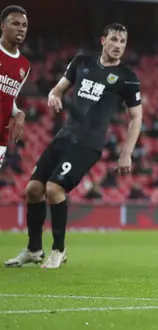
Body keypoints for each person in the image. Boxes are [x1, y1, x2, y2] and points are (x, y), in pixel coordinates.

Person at [4, 23, 142, 268]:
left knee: (54, 188)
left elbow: (136, 117)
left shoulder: (128, 79)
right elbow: (57, 90)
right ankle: (34, 250)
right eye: (114, 40)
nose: (118, 46)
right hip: (65, 136)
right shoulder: (81, 63)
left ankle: (59, 250)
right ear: (103, 41)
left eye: (123, 42)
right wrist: (54, 96)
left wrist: (126, 153)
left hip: (89, 143)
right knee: (33, 189)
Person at [0, 6, 30, 164]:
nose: (20, 29)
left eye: (24, 26)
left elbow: (10, 99)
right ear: (3, 26)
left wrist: (18, 113)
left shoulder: (25, 65)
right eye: (15, 23)